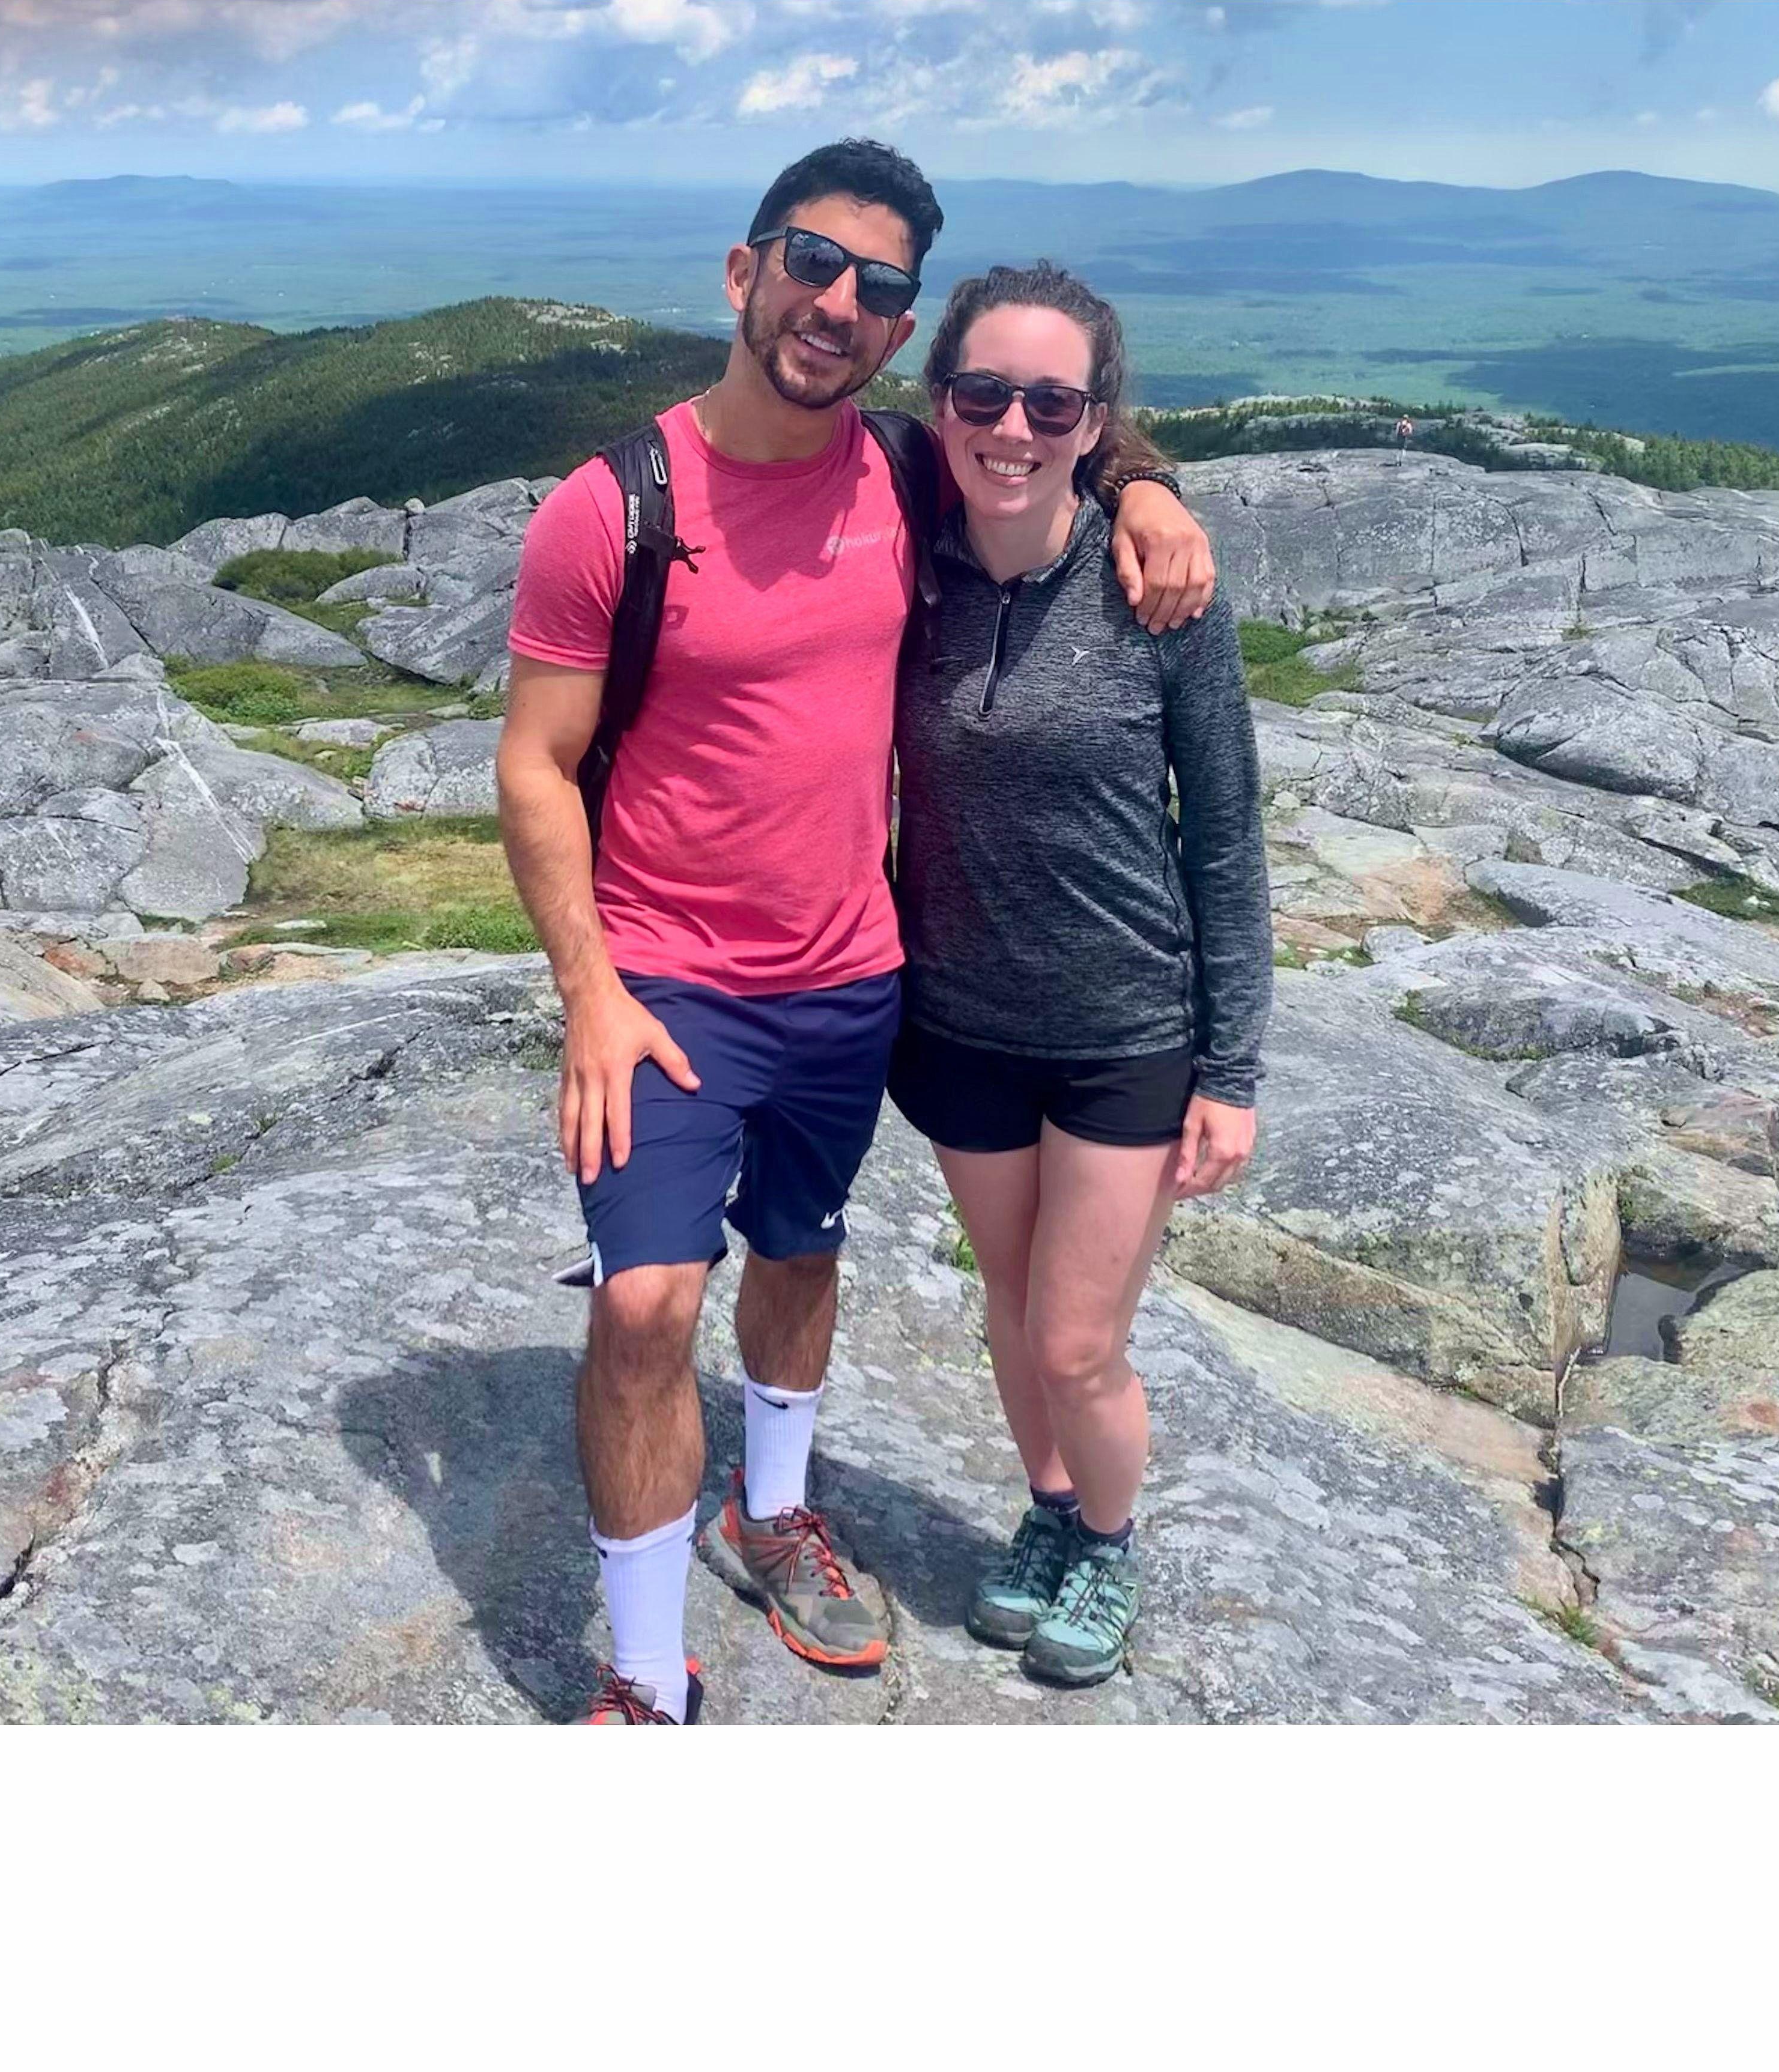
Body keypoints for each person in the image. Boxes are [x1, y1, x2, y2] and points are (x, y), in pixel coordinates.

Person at [497, 141, 1217, 1724]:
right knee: (641, 1308)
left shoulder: (906, 471)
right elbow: (534, 763)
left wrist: (1148, 482)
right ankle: (638, 1671)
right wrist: (591, 994)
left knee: (805, 1247)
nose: (839, 304)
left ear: (903, 333)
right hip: (669, 985)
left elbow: (1053, 428)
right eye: (811, 264)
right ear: (743, 271)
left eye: (880, 289)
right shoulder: (612, 507)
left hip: (855, 981)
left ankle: (773, 1505)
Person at [886, 260, 1271, 1689]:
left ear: (1098, 422)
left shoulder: (1154, 590)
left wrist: (1231, 1071)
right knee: (1008, 1301)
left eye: (1054, 402)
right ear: (937, 404)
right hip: (959, 1023)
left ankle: (1110, 1541)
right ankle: (1050, 1515)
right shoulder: (903, 556)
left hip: (1123, 1030)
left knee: (1075, 1339)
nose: (1012, 426)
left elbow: (1225, 837)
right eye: (983, 393)